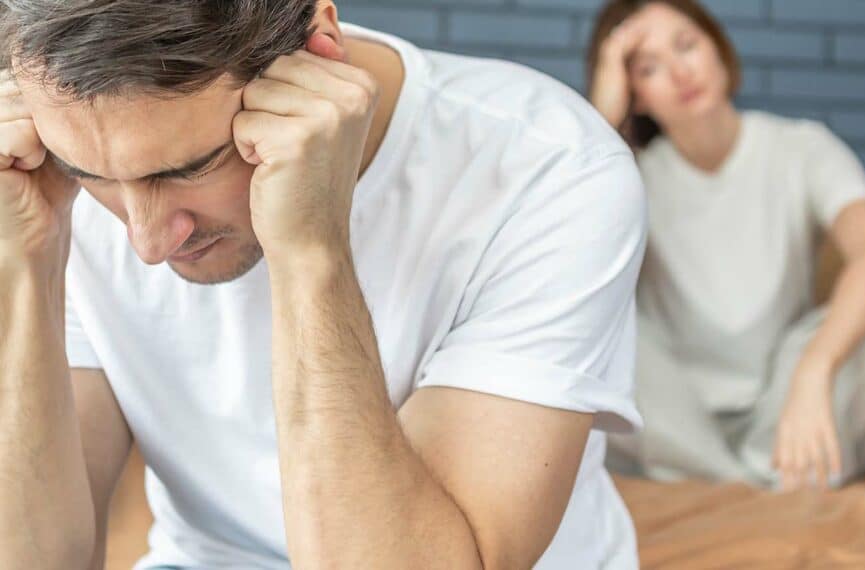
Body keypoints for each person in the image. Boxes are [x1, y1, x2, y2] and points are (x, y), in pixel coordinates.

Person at [0, 1, 648, 568]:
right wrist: (29, 260)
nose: (146, 241)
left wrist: (312, 253)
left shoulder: (551, 171)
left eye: (191, 168)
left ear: (320, 54)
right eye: (90, 173)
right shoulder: (55, 162)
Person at [586, 0, 865, 491]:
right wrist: (603, 110)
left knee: (854, 329)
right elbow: (553, 255)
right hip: (677, 418)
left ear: (719, 51)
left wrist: (814, 372)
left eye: (687, 45)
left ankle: (740, 480)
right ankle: (761, 483)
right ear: (637, 96)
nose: (679, 72)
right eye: (648, 67)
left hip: (784, 402)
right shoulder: (621, 173)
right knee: (606, 331)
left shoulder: (803, 147)